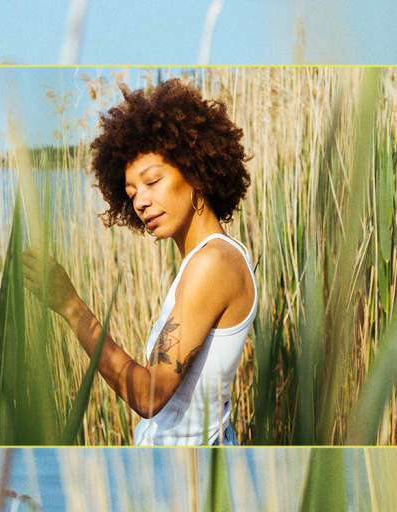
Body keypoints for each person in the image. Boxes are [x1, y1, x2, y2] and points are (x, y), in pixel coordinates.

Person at [22, 78, 257, 446]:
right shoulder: (215, 256)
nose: (141, 202)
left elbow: (149, 396)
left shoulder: (213, 264)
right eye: (131, 193)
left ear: (194, 171)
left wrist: (70, 306)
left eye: (152, 181)